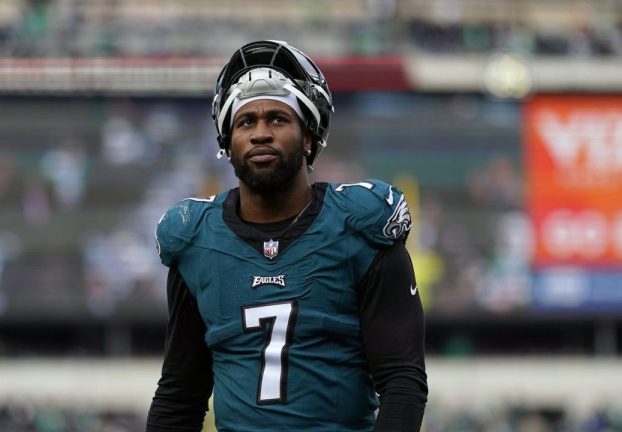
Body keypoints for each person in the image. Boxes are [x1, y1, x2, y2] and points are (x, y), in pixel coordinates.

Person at [146, 40, 428, 431]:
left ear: (309, 135)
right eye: (246, 121)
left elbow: (402, 383)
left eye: (278, 119)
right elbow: (180, 396)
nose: (261, 133)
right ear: (227, 143)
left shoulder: (360, 229)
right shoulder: (196, 240)